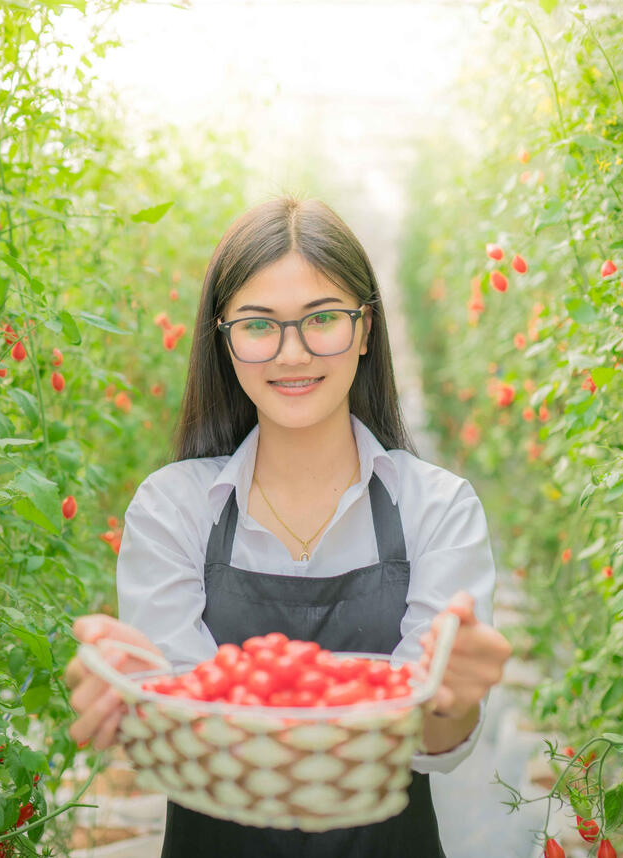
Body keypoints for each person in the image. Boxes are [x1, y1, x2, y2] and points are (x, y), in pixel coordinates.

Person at [62, 196, 513, 857]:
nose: (293, 353)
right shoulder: (174, 508)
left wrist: (454, 700)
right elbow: (181, 717)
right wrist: (136, 699)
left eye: (323, 319)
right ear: (223, 338)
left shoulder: (435, 507)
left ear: (366, 330)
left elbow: (430, 738)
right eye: (259, 325)